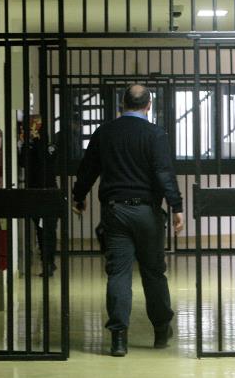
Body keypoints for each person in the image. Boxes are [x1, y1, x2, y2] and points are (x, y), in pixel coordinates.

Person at [72, 84, 184, 357]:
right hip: (147, 213)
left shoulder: (105, 133)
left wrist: (78, 196)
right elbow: (164, 173)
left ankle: (118, 339)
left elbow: (88, 169)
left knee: (119, 274)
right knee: (153, 273)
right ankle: (161, 331)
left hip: (116, 212)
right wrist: (176, 206)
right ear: (149, 105)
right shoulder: (155, 134)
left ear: (122, 104)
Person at [19, 115, 59, 277]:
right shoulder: (29, 145)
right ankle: (47, 261)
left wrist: (36, 140)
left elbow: (45, 160)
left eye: (35, 125)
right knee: (41, 229)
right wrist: (25, 143)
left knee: (48, 229)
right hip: (35, 192)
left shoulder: (49, 146)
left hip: (48, 192)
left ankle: (49, 261)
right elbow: (22, 162)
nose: (32, 128)